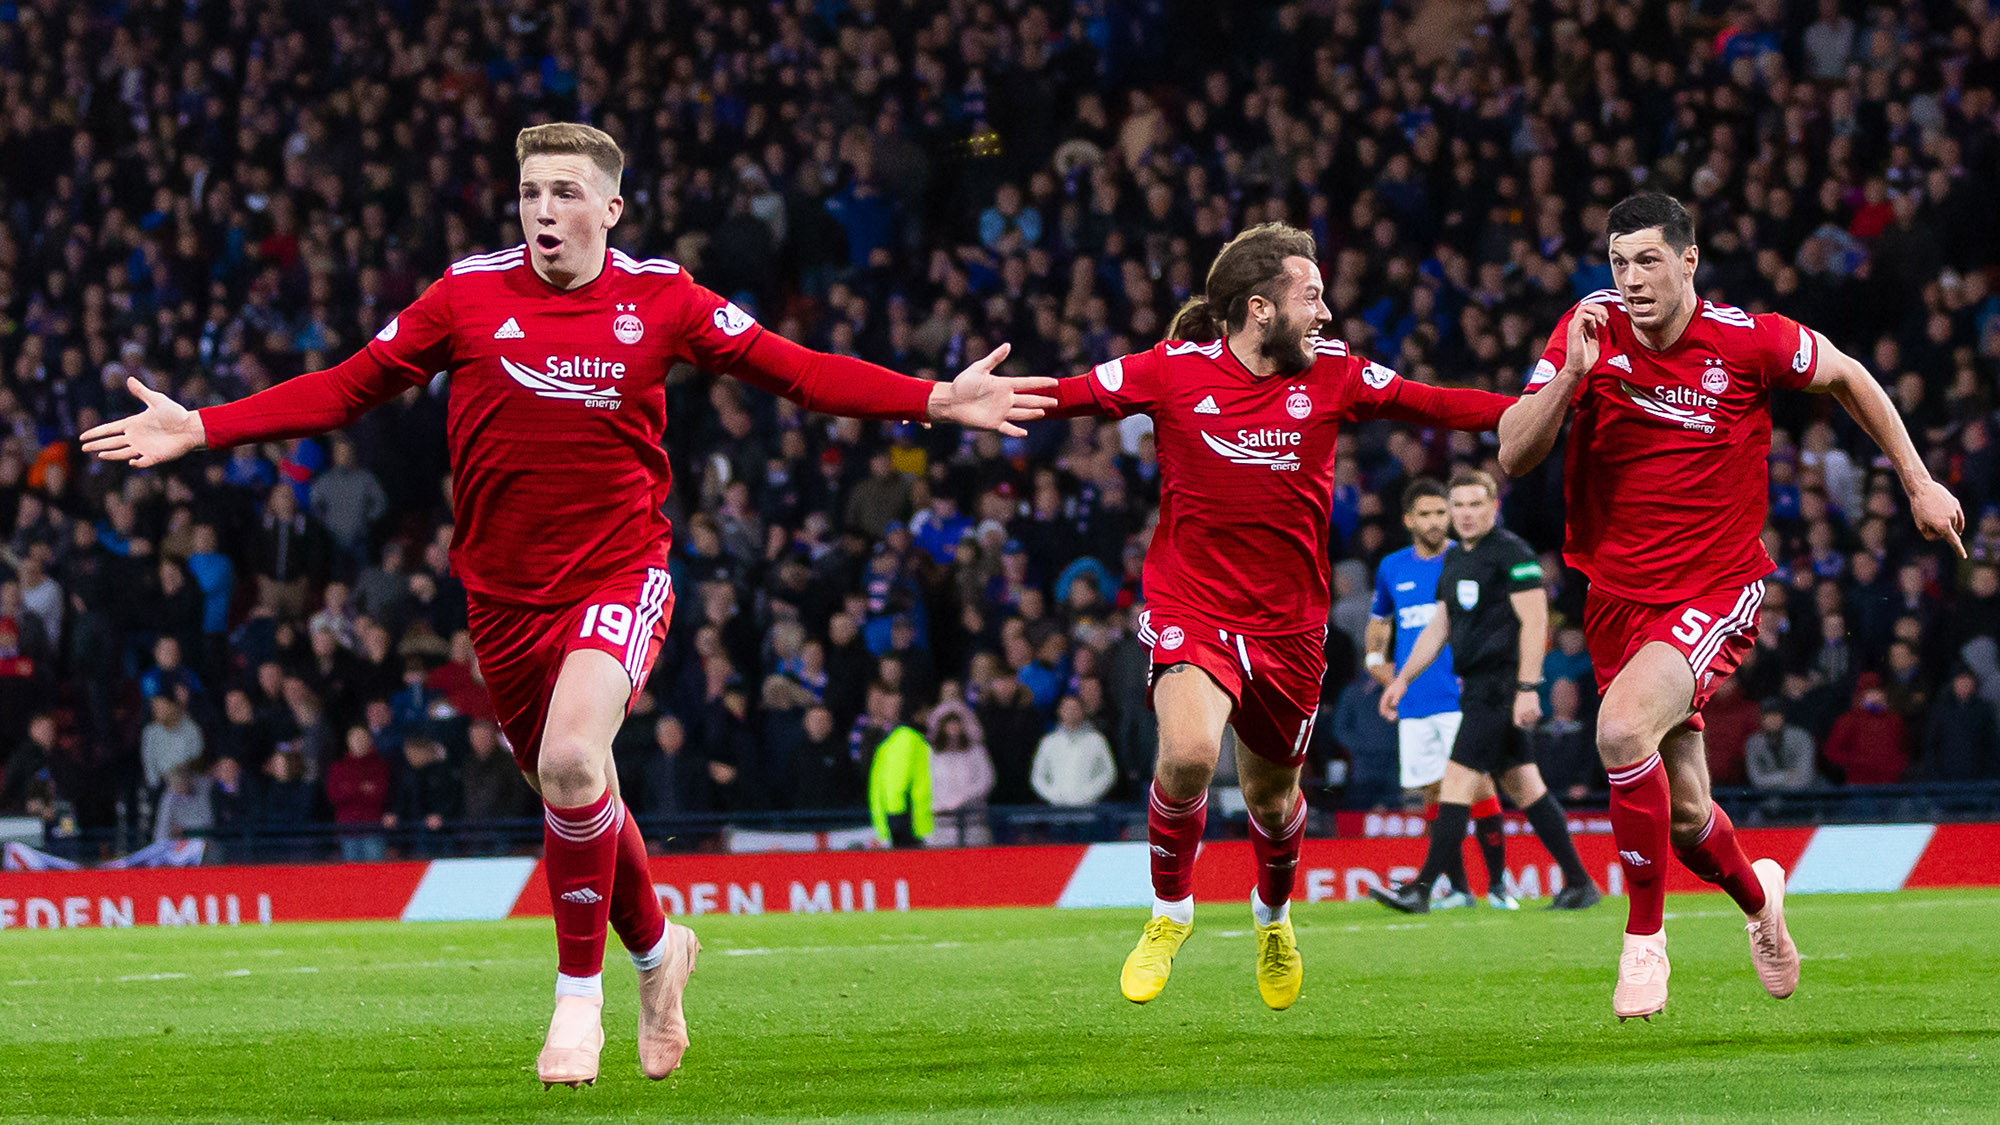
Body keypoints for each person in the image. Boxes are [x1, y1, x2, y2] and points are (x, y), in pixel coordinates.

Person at [80, 122, 1057, 1087]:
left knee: (571, 758)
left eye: (562, 192)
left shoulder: (661, 297)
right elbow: (349, 389)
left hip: (618, 575)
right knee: (575, 789)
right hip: (501, 598)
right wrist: (204, 425)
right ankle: (659, 955)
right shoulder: (465, 294)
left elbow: (795, 371)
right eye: (530, 194)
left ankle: (575, 1002)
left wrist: (932, 399)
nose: (543, 211)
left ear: (608, 206)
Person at [1498, 191, 1965, 1020]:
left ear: (1688, 260)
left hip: (1715, 587)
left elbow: (1850, 376)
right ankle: (1761, 904)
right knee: (1682, 814)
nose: (1631, 279)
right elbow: (1513, 452)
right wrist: (1570, 372)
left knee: (1616, 729)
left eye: (1647, 260)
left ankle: (1645, 938)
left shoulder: (1749, 341)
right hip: (1614, 597)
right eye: (1617, 262)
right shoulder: (1587, 331)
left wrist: (1917, 478)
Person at [1041, 222, 1518, 1010]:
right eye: (1313, 295)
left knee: (1271, 800)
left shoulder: (1334, 373)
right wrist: (965, 401)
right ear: (1260, 308)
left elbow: (1435, 404)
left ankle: (1273, 916)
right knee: (1190, 754)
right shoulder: (1171, 371)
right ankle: (1170, 912)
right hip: (1192, 604)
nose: (1327, 313)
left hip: (1290, 627)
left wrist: (1537, 406)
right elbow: (1072, 395)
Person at [1372, 470, 1600, 914]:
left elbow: (1536, 622)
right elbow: (1440, 626)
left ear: (1493, 507)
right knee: (1525, 786)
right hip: (1475, 686)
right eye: (1459, 506)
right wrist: (1401, 679)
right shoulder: (1456, 560)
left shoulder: (1512, 554)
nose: (1466, 514)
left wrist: (1528, 687)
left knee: (1455, 780)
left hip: (1500, 687)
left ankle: (1422, 888)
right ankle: (1578, 881)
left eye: (1475, 504)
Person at [1364, 477, 1510, 909]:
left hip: (1462, 697)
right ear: (1409, 519)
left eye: (1440, 512)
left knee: (1478, 786)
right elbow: (1378, 628)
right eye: (1425, 514)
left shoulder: (1469, 560)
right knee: (1432, 794)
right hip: (1415, 702)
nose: (1435, 521)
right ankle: (1461, 890)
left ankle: (1499, 886)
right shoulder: (1392, 567)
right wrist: (1381, 671)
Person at [1031, 695, 1117, 807]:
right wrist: (1054, 795)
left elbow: (1108, 773)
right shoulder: (1049, 742)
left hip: (1089, 809)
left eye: (1075, 708)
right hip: (1056, 809)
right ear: (1059, 711)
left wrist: (1088, 794)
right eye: (1067, 708)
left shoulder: (1096, 740)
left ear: (1082, 711)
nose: (1071, 712)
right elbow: (1038, 776)